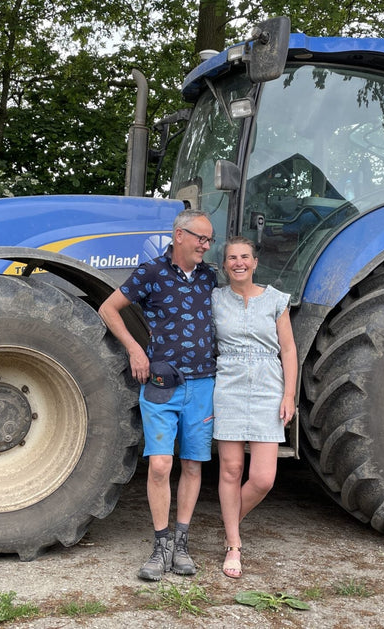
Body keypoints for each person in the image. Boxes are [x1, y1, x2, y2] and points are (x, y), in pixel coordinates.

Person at [98, 208, 217, 581]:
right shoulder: (151, 272)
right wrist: (135, 350)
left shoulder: (210, 277)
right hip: (162, 384)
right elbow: (108, 308)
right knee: (162, 465)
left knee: (193, 464)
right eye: (201, 238)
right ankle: (161, 544)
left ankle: (181, 544)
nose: (206, 245)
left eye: (209, 240)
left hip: (202, 384)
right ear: (179, 235)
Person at [212, 236, 297, 578]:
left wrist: (288, 395)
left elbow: (288, 350)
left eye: (244, 256)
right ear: (224, 265)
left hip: (267, 388)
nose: (238, 262)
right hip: (229, 385)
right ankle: (234, 544)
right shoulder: (215, 299)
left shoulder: (275, 300)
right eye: (232, 257)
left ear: (255, 262)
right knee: (231, 469)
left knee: (262, 478)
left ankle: (229, 519)